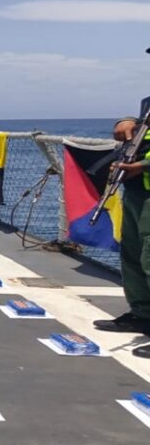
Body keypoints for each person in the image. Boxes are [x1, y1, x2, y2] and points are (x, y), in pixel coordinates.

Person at [95, 115, 150, 333]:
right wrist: (127, 123)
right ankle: (142, 315)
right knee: (133, 255)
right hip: (136, 193)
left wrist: (144, 165)